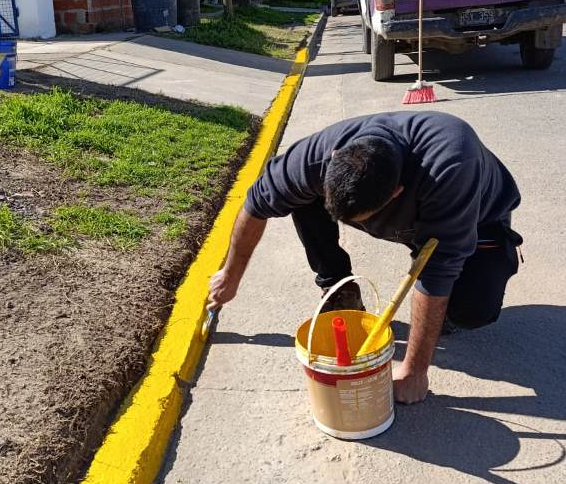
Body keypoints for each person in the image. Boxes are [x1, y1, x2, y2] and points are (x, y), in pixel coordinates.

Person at [208, 111, 522, 405]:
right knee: (303, 199)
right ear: (334, 158)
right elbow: (256, 204)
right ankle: (340, 288)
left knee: (472, 311)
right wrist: (230, 276)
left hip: (478, 219)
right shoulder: (314, 158)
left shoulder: (450, 167)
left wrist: (414, 371)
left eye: (359, 219)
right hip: (407, 203)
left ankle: (449, 313)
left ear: (396, 193)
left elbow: (439, 269)